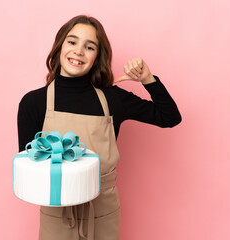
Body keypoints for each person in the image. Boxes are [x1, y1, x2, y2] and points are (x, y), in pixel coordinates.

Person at [17, 15, 181, 240]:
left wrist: (148, 79)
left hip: (103, 212)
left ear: (97, 56)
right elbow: (30, 168)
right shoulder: (34, 103)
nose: (79, 51)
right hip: (57, 212)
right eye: (72, 42)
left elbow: (169, 117)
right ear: (59, 47)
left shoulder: (113, 99)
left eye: (89, 46)